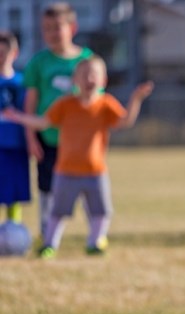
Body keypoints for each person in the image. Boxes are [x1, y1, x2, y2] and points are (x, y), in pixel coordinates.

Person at [3, 55, 154, 258]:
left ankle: (95, 241)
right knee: (58, 211)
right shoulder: (65, 104)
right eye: (84, 75)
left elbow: (125, 121)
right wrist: (20, 118)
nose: (89, 79)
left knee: (101, 211)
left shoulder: (105, 104)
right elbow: (43, 122)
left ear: (104, 81)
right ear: (74, 80)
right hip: (66, 170)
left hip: (96, 171)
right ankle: (50, 244)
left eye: (94, 74)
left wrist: (135, 99)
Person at [22, 2, 94, 241]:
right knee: (47, 186)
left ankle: (95, 233)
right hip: (49, 137)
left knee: (87, 187)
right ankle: (47, 233)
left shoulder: (86, 60)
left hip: (80, 141)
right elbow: (30, 104)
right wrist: (31, 137)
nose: (52, 33)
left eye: (57, 27)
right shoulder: (39, 62)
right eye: (47, 28)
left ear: (72, 28)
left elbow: (96, 102)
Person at [0, 31, 30, 224]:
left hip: (16, 146)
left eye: (3, 53)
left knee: (13, 192)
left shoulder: (22, 82)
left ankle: (12, 229)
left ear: (15, 53)